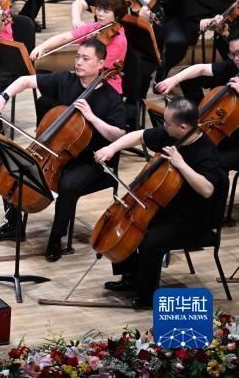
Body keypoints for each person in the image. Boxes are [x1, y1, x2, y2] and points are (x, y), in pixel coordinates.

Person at [0, 38, 126, 260]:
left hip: (91, 159)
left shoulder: (111, 98)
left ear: (101, 64)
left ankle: (55, 239)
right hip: (54, 152)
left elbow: (118, 135)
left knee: (68, 185)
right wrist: (4, 97)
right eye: (77, 56)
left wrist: (92, 118)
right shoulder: (66, 79)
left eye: (85, 58)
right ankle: (14, 226)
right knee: (11, 165)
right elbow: (24, 81)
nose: (78, 62)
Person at [93, 97, 225, 308]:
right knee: (125, 226)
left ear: (184, 127)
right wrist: (112, 148)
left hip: (191, 217)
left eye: (168, 123)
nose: (164, 126)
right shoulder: (171, 134)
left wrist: (182, 164)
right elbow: (139, 135)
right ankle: (131, 277)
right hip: (164, 206)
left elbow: (207, 189)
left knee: (149, 240)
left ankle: (147, 297)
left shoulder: (205, 151)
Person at [155, 30, 239, 173]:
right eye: (232, 54)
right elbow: (201, 69)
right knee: (193, 153)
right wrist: (174, 79)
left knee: (212, 163)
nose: (236, 59)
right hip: (227, 134)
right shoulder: (233, 67)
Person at [31, 0, 129, 94]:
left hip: (104, 87)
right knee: (46, 88)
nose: (100, 14)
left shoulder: (119, 41)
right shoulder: (96, 27)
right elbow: (65, 37)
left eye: (105, 11)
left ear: (117, 15)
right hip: (85, 80)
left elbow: (97, 69)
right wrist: (42, 47)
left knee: (53, 86)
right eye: (98, 9)